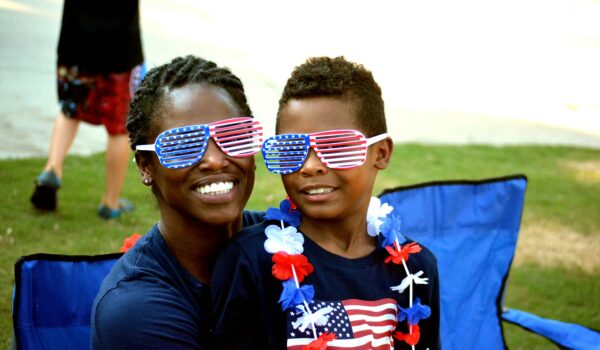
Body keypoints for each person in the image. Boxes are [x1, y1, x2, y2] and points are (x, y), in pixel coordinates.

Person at [212, 56, 441, 349]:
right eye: (292, 149)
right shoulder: (250, 261)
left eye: (336, 147)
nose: (310, 166)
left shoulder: (415, 268)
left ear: (381, 153)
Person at [91, 55, 264, 349]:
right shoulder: (134, 311)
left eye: (233, 136)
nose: (214, 159)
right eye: (184, 145)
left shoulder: (284, 237)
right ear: (146, 166)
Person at [30, 0, 145, 219]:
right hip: (119, 51)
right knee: (119, 128)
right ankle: (110, 203)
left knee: (69, 110)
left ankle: (52, 169)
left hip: (75, 44)